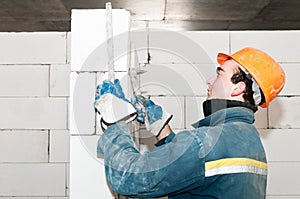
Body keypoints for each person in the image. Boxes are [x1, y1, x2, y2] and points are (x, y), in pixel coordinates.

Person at [95, 47, 285, 198]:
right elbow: (197, 169)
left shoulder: (206, 142)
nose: (209, 81)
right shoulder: (250, 141)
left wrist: (114, 124)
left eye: (219, 74)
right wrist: (163, 130)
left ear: (238, 88)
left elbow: (130, 179)